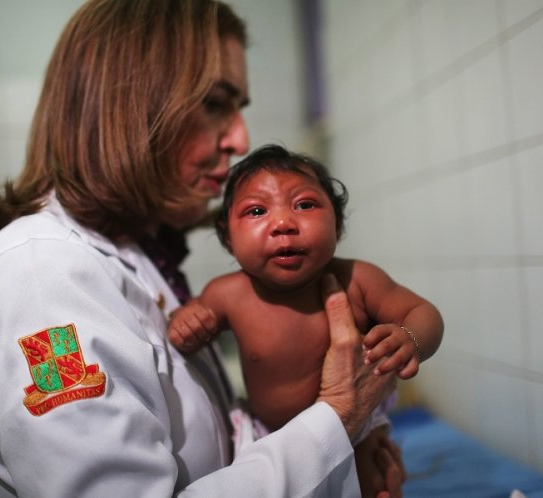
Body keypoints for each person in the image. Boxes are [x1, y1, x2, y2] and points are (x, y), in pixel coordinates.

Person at [0, 1, 404, 496]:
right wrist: (337, 416)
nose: (240, 138)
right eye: (213, 104)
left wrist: (342, 467)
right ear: (125, 106)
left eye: (238, 109)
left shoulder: (134, 258)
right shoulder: (36, 282)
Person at [167, 144, 444, 493]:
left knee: (373, 479)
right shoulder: (227, 294)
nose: (283, 223)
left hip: (356, 431)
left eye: (305, 205)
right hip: (268, 439)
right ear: (227, 238)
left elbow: (424, 313)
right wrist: (186, 323)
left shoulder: (359, 280)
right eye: (256, 211)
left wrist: (411, 339)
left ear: (338, 226)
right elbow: (183, 322)